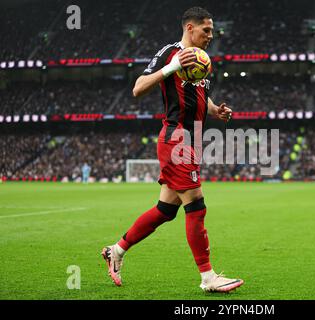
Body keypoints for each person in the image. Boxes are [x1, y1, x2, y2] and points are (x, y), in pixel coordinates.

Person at [101, 7, 244, 293]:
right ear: (190, 28)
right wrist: (172, 66)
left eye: (213, 32)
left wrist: (216, 110)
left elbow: (200, 92)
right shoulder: (171, 53)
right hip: (177, 139)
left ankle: (115, 250)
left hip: (192, 140)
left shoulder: (202, 61)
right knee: (196, 205)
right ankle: (208, 277)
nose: (210, 37)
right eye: (206, 31)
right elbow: (138, 88)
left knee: (165, 210)